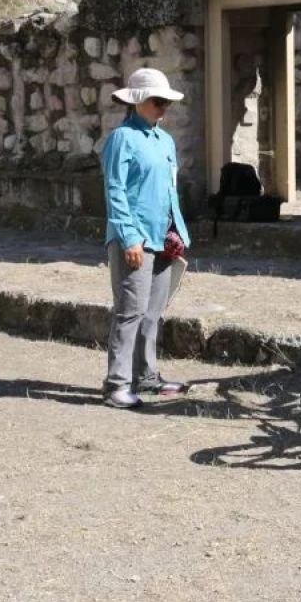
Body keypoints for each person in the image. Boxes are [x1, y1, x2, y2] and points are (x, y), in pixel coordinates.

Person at [100, 67, 192, 408]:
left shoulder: (164, 140)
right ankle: (117, 385)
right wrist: (129, 238)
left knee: (152, 313)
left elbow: (169, 192)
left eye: (166, 101)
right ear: (138, 101)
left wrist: (176, 231)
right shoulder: (122, 139)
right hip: (134, 239)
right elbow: (115, 191)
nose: (163, 106)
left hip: (162, 238)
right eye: (157, 100)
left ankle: (146, 377)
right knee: (130, 311)